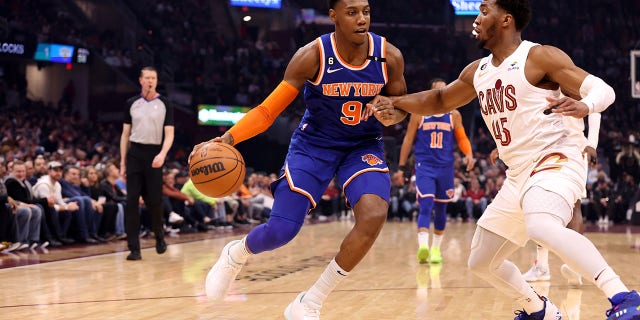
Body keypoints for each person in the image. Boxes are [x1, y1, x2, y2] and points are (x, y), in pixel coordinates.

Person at [369, 0, 640, 319]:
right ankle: (538, 308)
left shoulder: (538, 56)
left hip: (557, 157)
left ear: (506, 20)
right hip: (519, 173)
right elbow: (440, 99)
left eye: (484, 11)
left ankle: (624, 296)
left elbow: (602, 89)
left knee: (541, 224)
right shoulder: (477, 71)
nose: (477, 18)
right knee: (481, 260)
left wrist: (587, 105)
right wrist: (397, 102)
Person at [190, 0, 407, 318]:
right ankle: (237, 253)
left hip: (362, 145)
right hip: (314, 145)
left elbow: (400, 105)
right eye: (352, 12)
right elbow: (267, 111)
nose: (362, 19)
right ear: (333, 16)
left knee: (374, 215)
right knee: (282, 231)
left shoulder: (389, 56)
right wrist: (228, 138)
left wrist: (393, 114)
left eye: (366, 11)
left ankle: (310, 301)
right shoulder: (312, 56)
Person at [510, 111, 602, 285]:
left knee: (575, 206)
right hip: (545, 147)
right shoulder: (541, 85)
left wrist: (592, 143)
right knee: (539, 203)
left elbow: (595, 108)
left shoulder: (576, 84)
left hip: (574, 147)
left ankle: (576, 267)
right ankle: (542, 267)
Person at [397, 78, 475, 264]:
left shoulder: (454, 115)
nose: (441, 94)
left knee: (441, 209)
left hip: (445, 168)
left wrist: (469, 153)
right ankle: (423, 246)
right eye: (437, 91)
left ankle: (435, 250)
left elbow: (462, 137)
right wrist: (401, 167)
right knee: (426, 204)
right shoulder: (419, 114)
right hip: (425, 166)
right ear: (430, 93)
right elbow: (408, 140)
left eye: (444, 90)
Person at [120, 66, 174, 261]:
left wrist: (163, 154)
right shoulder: (131, 103)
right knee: (131, 201)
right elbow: (125, 134)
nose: (150, 81)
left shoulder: (165, 103)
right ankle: (134, 248)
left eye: (154, 78)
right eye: (147, 78)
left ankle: (159, 236)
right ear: (141, 80)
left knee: (154, 201)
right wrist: (123, 162)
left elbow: (169, 133)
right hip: (135, 153)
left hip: (154, 154)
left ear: (157, 81)